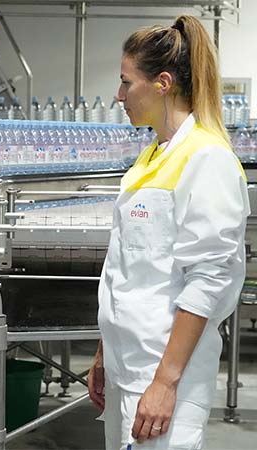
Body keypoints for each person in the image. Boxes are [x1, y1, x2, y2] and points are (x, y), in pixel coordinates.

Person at [89, 15, 249, 450]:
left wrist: (164, 383)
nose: (119, 95)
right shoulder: (149, 159)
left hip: (163, 376)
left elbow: (209, 281)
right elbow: (127, 269)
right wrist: (106, 353)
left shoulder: (207, 159)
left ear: (161, 83)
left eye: (127, 83)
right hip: (128, 369)